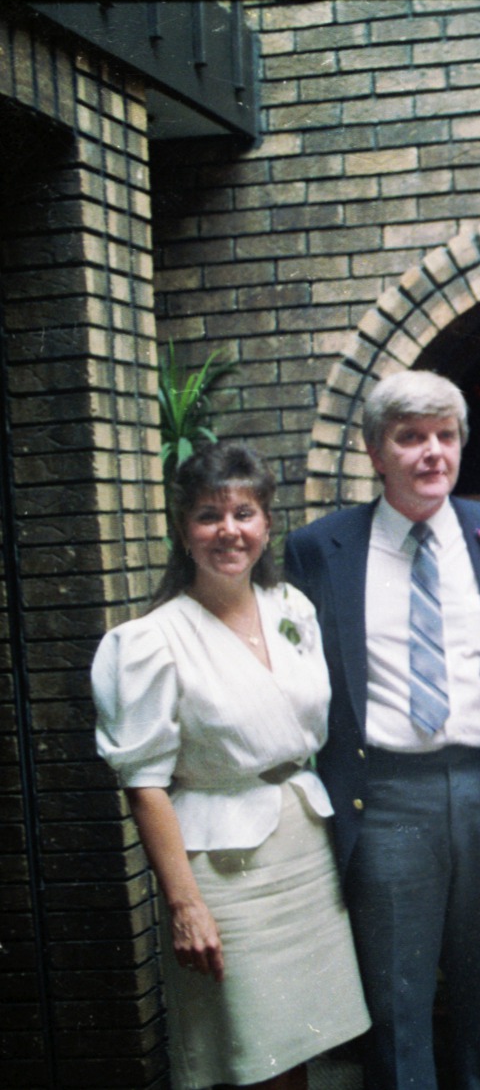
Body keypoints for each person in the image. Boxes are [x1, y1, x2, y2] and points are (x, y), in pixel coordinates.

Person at [284, 370, 480, 1090]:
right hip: (389, 796)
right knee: (397, 1003)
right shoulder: (318, 550)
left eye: (444, 436)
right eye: (411, 437)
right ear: (375, 451)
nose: (432, 452)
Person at [92, 443, 370, 1090]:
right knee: (250, 1045)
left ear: (266, 523)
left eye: (244, 512)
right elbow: (145, 783)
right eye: (209, 515)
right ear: (182, 529)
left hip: (302, 850)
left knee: (299, 1040)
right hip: (224, 869)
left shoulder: (290, 609)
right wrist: (185, 903)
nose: (229, 530)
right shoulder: (152, 641)